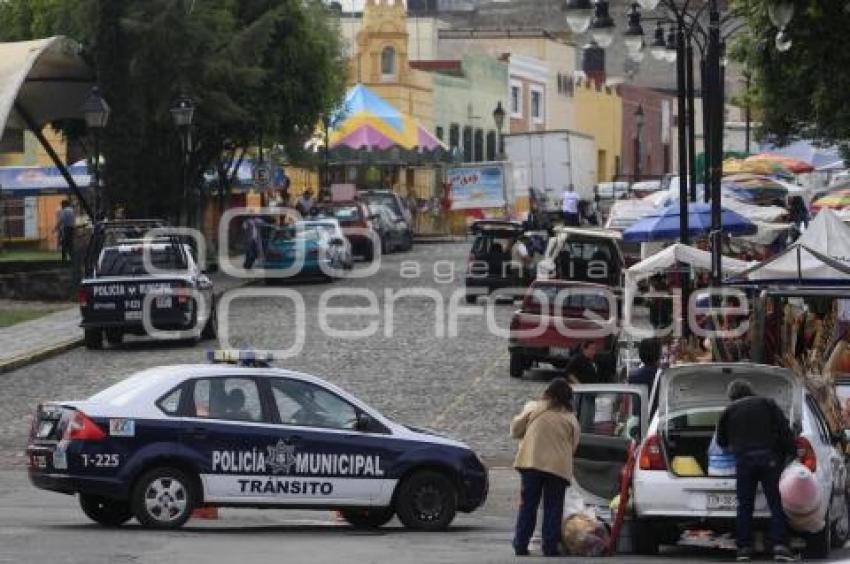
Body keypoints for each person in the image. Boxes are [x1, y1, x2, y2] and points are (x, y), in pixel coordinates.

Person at [715, 379, 796, 562]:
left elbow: (721, 441)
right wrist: (791, 452)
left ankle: (744, 549)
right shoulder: (768, 404)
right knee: (776, 504)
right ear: (751, 391)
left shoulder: (728, 411)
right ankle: (780, 546)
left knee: (744, 506)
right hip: (769, 460)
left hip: (744, 461)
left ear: (731, 396)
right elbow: (784, 431)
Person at [510, 378, 580, 557]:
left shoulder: (534, 408)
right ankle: (549, 547)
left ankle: (520, 544)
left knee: (528, 505)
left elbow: (515, 430)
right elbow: (574, 445)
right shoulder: (570, 418)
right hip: (557, 467)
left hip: (532, 463)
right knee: (553, 507)